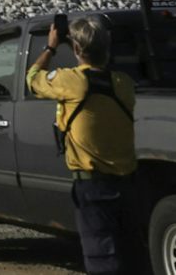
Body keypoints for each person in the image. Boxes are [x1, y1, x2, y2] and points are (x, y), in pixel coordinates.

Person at [27, 15, 138, 274]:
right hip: (129, 183)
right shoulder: (124, 84)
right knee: (132, 257)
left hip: (93, 186)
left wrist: (51, 47)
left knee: (103, 261)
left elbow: (32, 78)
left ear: (77, 49)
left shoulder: (72, 82)